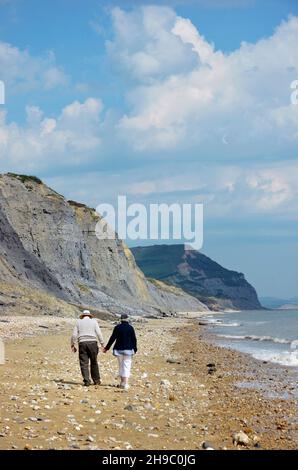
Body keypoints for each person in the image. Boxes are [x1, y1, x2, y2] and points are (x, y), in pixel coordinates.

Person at [103, 313, 137, 390]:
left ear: (120, 320)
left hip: (118, 350)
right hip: (128, 350)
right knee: (127, 366)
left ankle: (122, 382)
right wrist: (135, 349)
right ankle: (126, 383)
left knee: (121, 366)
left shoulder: (117, 327)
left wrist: (106, 348)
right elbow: (134, 339)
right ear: (127, 319)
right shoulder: (130, 328)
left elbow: (112, 338)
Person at [71, 310, 105, 386]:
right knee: (94, 362)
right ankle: (96, 380)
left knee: (84, 363)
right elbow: (99, 333)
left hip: (82, 343)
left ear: (82, 316)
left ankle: (87, 381)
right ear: (89, 316)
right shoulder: (94, 322)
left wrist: (73, 344)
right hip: (93, 343)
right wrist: (102, 344)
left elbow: (74, 335)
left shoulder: (78, 322)